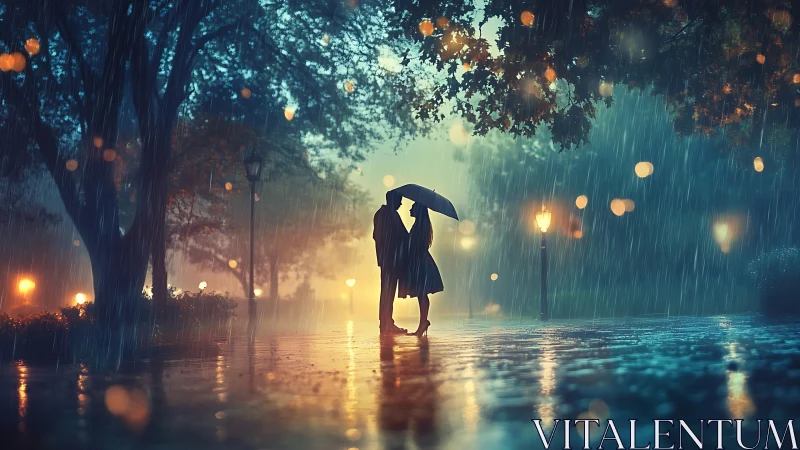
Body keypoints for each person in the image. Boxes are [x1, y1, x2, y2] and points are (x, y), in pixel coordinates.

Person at [399, 202, 444, 337]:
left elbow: (414, 244)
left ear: (418, 210)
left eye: (412, 207)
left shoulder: (420, 226)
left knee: (421, 293)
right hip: (420, 261)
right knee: (421, 293)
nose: (409, 209)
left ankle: (423, 323)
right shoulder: (421, 224)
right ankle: (422, 323)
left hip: (419, 262)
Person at [373, 191, 409, 335]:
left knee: (387, 291)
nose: (401, 203)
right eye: (399, 200)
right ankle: (386, 323)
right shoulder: (389, 215)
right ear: (393, 200)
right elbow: (401, 235)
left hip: (387, 259)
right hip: (391, 259)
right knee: (388, 291)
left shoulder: (383, 214)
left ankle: (386, 322)